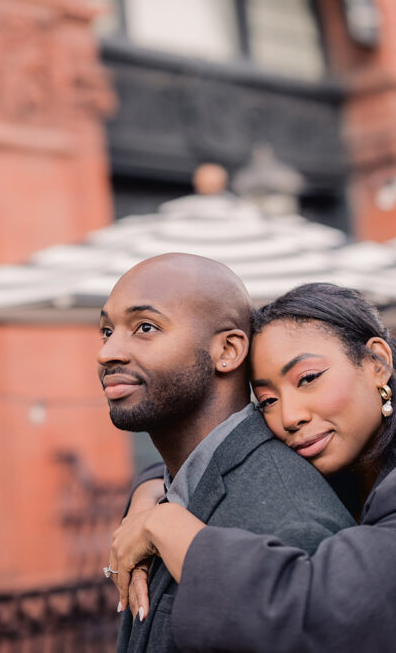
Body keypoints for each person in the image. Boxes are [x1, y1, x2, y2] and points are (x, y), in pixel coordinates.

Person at [108, 282, 396, 652]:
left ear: (376, 362)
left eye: (308, 379)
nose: (289, 416)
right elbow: (213, 460)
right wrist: (149, 494)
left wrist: (166, 524)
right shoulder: (350, 461)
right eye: (267, 400)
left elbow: (328, 620)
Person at [98, 256, 354, 653]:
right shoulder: (168, 490)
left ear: (228, 350)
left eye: (145, 327)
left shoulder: (288, 523)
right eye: (107, 331)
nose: (108, 352)